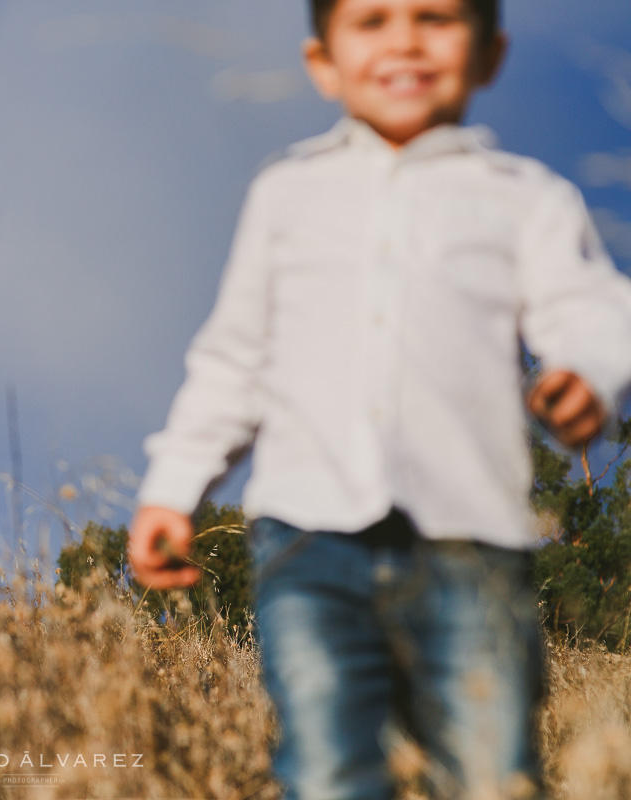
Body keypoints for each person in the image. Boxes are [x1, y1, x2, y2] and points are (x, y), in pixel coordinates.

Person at [128, 1, 631, 797]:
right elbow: (234, 359)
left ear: (489, 55)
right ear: (322, 61)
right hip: (308, 536)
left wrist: (584, 371)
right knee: (330, 763)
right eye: (372, 21)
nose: (404, 39)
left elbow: (595, 309)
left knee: (487, 765)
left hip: (469, 537)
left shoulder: (524, 197)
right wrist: (172, 490)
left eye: (435, 17)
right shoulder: (287, 194)